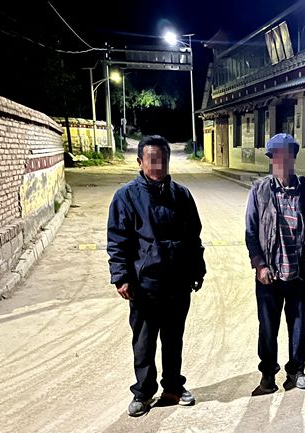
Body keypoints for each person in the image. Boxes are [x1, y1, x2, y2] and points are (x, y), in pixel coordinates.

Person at [107, 135, 206, 416]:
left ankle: (173, 387)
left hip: (178, 283)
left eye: (163, 159)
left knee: (173, 340)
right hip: (144, 284)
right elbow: (117, 240)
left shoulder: (182, 195)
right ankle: (143, 392)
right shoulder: (126, 197)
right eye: (152, 159)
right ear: (140, 161)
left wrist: (197, 269)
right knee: (144, 342)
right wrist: (121, 277)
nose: (158, 165)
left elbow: (193, 237)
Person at [245, 133, 305, 394]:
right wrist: (260, 265)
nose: (281, 161)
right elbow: (251, 231)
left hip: (299, 273)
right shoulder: (260, 190)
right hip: (270, 274)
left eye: (286, 155)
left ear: (293, 157)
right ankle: (268, 374)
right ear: (271, 159)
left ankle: (296, 370)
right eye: (275, 156)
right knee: (268, 328)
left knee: (298, 325)